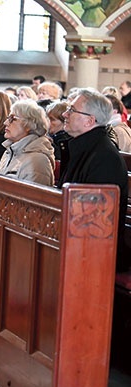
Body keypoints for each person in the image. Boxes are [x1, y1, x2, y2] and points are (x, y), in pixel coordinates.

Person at [58, 88, 128, 272]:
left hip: (97, 253)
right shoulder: (81, 147)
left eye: (72, 110)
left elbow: (94, 223)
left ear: (90, 120)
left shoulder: (104, 157)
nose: (65, 114)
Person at [0, 99, 55, 186]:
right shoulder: (9, 151)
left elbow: (33, 197)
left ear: (29, 124)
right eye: (8, 118)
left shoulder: (37, 159)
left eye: (12, 119)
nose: (5, 123)